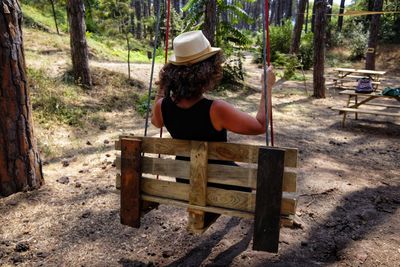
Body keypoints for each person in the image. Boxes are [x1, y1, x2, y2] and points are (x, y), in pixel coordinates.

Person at [151, 30, 276, 141]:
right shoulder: (216, 110)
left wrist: (162, 86)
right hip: (217, 168)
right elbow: (260, 126)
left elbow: (156, 122)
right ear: (207, 72)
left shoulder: (162, 107)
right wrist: (267, 86)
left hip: (183, 168)